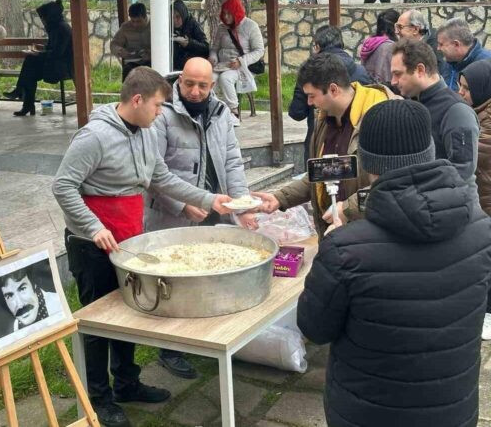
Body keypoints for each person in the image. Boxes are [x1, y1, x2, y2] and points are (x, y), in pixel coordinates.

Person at [53, 66, 236, 427]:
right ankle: (98, 398)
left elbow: (162, 178)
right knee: (97, 322)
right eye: (156, 105)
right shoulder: (94, 137)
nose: (159, 113)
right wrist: (92, 227)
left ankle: (126, 384)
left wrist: (212, 199)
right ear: (136, 99)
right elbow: (63, 186)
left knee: (129, 311)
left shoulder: (145, 133)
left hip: (129, 237)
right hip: (91, 245)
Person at [297, 99, 491, 427]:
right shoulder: (483, 230)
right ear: (429, 150)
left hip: (366, 413)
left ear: (368, 162)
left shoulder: (345, 250)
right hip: (453, 411)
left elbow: (314, 328)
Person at [144, 57, 256, 380]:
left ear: (212, 85)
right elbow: (152, 171)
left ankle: (204, 338)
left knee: (206, 276)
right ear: (179, 81)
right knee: (173, 283)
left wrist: (242, 206)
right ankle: (170, 348)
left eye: (202, 85)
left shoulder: (221, 113)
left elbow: (233, 162)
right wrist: (181, 206)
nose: (194, 91)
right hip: (172, 213)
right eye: (188, 84)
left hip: (213, 208)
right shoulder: (162, 113)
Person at [255, 53, 393, 237]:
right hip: (336, 235)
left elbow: (393, 187)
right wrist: (279, 198)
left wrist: (347, 209)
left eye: (312, 96)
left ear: (334, 89)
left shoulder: (382, 117)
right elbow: (324, 171)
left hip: (371, 237)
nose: (309, 103)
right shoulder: (325, 118)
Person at [390, 38, 480, 186]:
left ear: (420, 70)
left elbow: (462, 170)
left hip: (450, 205)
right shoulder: (412, 103)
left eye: (398, 74)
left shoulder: (457, 111)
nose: (393, 81)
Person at [288, 26, 374, 160]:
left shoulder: (312, 75)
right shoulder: (362, 72)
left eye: (312, 96)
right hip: (352, 141)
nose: (310, 101)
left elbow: (296, 112)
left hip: (328, 142)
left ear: (317, 47)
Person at [458, 59, 491, 341]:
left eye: (467, 89)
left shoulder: (486, 116)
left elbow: (483, 152)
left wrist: (454, 138)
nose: (461, 94)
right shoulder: (475, 111)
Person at [2, 0, 73, 117]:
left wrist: (38, 54)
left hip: (61, 67)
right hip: (53, 63)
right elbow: (52, 49)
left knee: (30, 63)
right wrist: (42, 49)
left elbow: (57, 53)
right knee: (30, 70)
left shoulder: (62, 29)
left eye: (43, 17)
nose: (42, 20)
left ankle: (23, 98)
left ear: (50, 16)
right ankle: (26, 103)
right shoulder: (56, 27)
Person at [207, 0, 264, 127]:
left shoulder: (251, 26)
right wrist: (213, 57)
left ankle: (234, 113)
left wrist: (241, 60)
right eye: (224, 13)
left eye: (229, 13)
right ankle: (212, 109)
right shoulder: (222, 28)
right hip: (222, 65)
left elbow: (259, 50)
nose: (226, 17)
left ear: (236, 12)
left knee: (225, 78)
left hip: (242, 67)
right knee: (208, 78)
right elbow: (214, 48)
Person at [437, 18, 491, 92]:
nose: (438, 48)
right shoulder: (449, 60)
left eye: (441, 44)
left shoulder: (487, 66)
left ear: (456, 44)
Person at [111, 2, 151, 81]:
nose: (135, 24)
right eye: (133, 21)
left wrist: (150, 54)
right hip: (132, 64)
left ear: (145, 17)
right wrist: (120, 50)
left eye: (138, 21)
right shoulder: (125, 27)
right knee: (128, 72)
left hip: (151, 62)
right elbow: (114, 44)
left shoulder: (154, 25)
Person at [359, 9, 399, 84]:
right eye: (399, 26)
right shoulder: (391, 47)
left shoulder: (368, 42)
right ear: (395, 27)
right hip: (386, 89)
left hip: (368, 87)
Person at [172, 0, 209, 71]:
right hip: (174, 67)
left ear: (183, 15)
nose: (174, 20)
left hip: (192, 67)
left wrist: (188, 43)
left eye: (177, 17)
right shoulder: (168, 26)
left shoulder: (192, 24)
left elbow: (206, 49)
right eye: (172, 17)